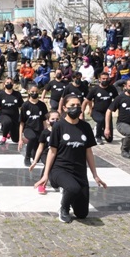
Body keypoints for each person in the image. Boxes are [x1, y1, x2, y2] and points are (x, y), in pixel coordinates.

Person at [34, 95, 107, 223]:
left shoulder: (85, 127)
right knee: (73, 188)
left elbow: (89, 152)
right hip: (60, 169)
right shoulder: (59, 126)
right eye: (72, 105)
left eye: (78, 105)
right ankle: (64, 208)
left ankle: (70, 193)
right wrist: (46, 175)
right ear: (64, 108)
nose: (76, 108)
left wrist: (95, 175)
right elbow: (52, 152)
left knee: (82, 214)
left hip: (79, 171)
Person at [29, 110, 60, 194]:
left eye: (57, 119)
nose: (55, 121)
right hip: (46, 153)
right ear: (48, 120)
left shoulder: (61, 131)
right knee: (48, 163)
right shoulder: (45, 132)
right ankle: (42, 184)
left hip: (57, 154)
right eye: (52, 119)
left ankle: (56, 182)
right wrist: (35, 161)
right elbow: (40, 147)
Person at [82, 72, 118, 144]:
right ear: (99, 79)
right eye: (103, 79)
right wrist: (81, 113)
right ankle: (98, 136)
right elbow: (85, 101)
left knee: (109, 139)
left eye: (107, 79)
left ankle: (100, 130)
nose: (105, 80)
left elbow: (117, 100)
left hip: (107, 113)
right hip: (96, 111)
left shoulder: (112, 88)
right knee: (101, 120)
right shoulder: (94, 89)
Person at [18, 84, 48, 167]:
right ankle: (27, 157)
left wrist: (46, 131)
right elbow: (21, 122)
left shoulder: (42, 105)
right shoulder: (25, 105)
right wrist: (20, 138)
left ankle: (32, 154)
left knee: (36, 157)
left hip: (39, 129)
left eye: (36, 92)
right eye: (32, 92)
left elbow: (44, 120)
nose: (34, 93)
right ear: (28, 92)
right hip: (28, 129)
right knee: (32, 137)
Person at [0, 77, 23, 143]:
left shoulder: (17, 94)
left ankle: (10, 132)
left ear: (13, 84)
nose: (9, 84)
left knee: (16, 140)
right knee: (7, 122)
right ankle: (4, 137)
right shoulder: (0, 94)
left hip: (15, 117)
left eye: (10, 82)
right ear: (4, 84)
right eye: (7, 82)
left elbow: (21, 107)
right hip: (4, 115)